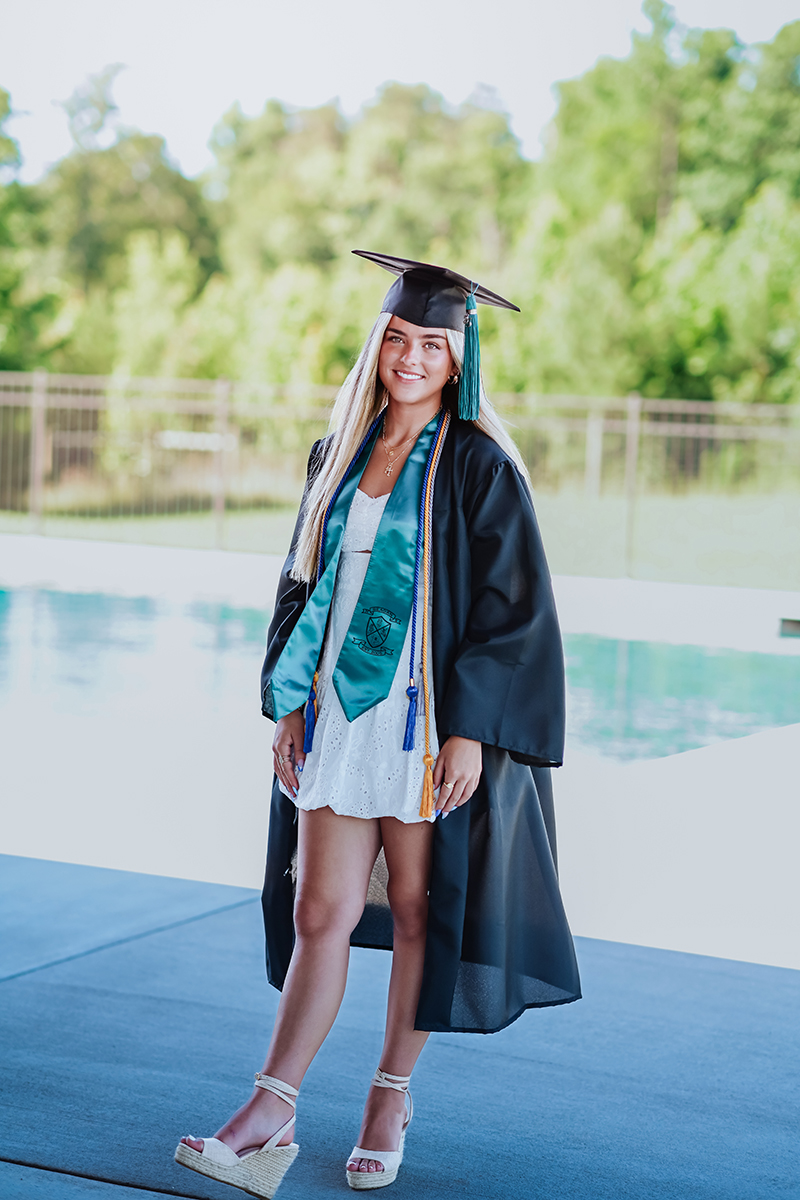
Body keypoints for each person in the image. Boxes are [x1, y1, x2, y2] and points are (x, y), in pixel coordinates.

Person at [175, 251, 581, 1198]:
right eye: (399, 338)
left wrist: (470, 730)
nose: (412, 357)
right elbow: (300, 586)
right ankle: (271, 1108)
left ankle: (389, 1099)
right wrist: (289, 699)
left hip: (422, 723)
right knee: (318, 911)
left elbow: (512, 608)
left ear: (459, 359)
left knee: (414, 914)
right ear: (377, 345)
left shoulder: (478, 465)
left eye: (433, 344)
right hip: (339, 716)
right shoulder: (338, 455)